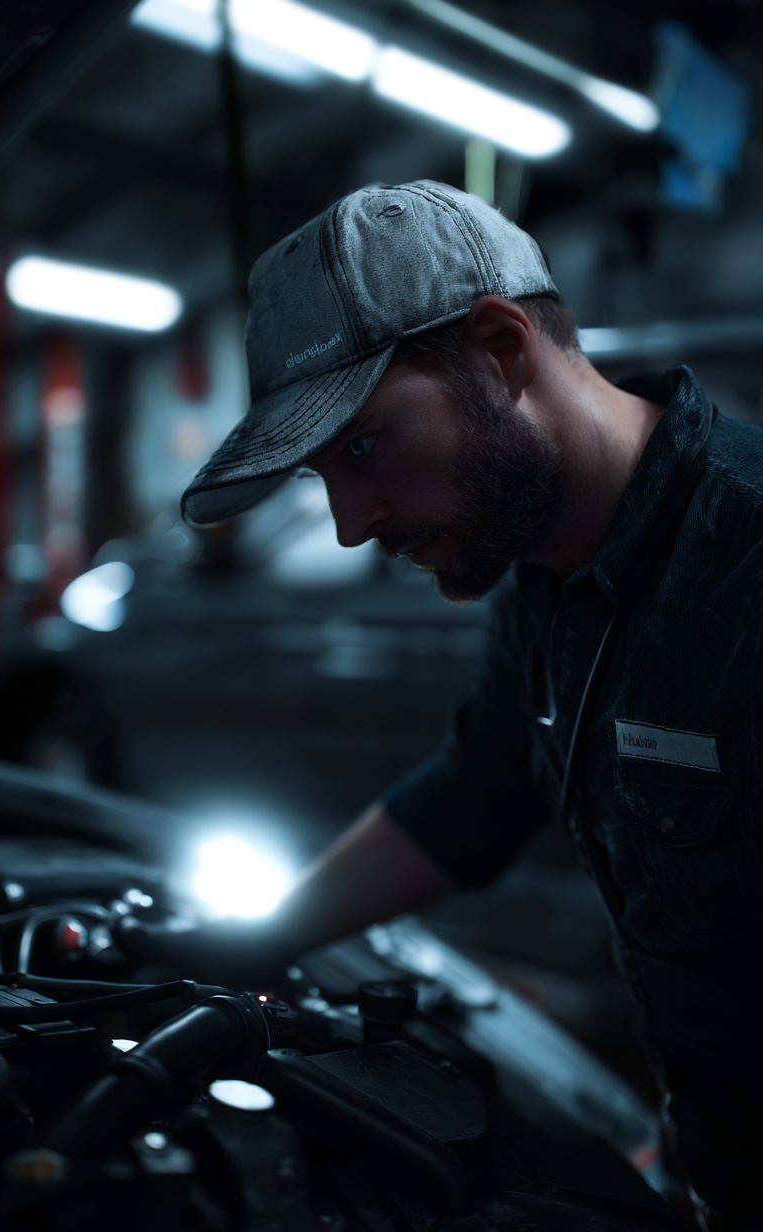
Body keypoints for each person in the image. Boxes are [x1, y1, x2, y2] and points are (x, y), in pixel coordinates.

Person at [124, 181, 763, 1231]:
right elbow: (476, 789)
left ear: (502, 351)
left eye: (364, 446)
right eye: (323, 475)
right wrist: (253, 938)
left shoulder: (743, 564)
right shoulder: (551, 583)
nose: (345, 524)